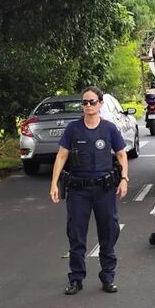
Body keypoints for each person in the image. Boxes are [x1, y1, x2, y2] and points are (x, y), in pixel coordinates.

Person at [50, 87, 129, 295]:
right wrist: (54, 184)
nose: (88, 106)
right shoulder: (73, 129)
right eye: (85, 102)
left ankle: (108, 277)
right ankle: (76, 279)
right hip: (78, 190)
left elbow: (121, 154)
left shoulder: (110, 129)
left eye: (92, 102)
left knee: (108, 233)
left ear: (100, 104)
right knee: (76, 235)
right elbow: (61, 157)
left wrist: (124, 179)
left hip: (104, 189)